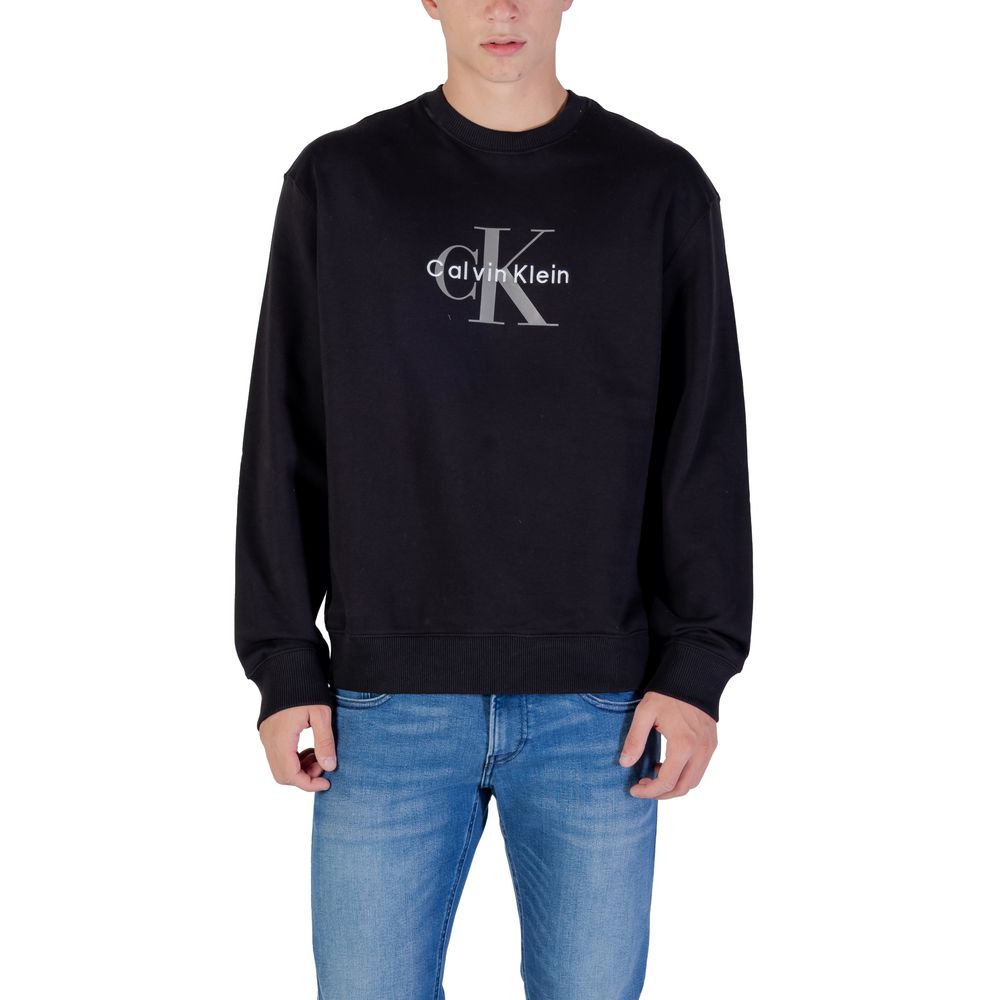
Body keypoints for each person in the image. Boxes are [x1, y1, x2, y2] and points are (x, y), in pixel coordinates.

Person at [233, 1, 753, 996]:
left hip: (598, 707)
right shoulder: (341, 182)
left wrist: (697, 668)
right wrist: (283, 660)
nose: (502, 7)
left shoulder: (657, 188)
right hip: (382, 705)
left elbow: (702, 442)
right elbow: (285, 430)